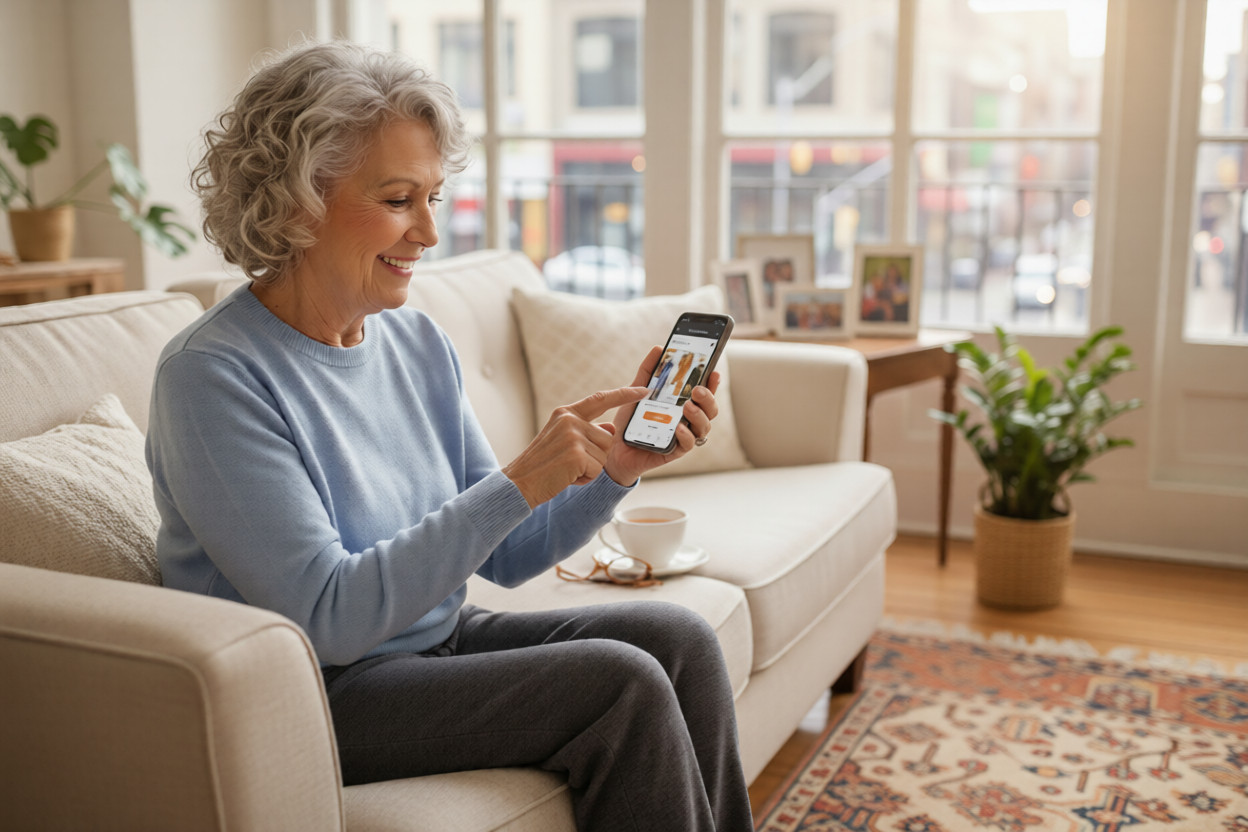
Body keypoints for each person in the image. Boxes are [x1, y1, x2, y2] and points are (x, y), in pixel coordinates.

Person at [147, 40, 752, 832]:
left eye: (434, 196)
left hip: (435, 643)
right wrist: (517, 482)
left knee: (677, 638)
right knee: (619, 682)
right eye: (399, 199)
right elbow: (326, 617)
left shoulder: (413, 342)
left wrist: (616, 471)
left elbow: (507, 555)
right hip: (317, 691)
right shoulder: (211, 377)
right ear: (297, 202)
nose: (429, 232)